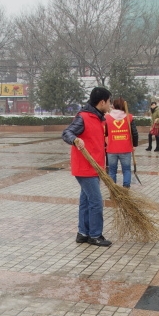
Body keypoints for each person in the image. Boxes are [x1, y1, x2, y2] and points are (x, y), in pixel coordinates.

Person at [62, 86, 113, 247]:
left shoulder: (98, 118)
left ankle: (83, 233)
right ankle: (95, 235)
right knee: (96, 201)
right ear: (102, 102)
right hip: (85, 168)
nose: (110, 105)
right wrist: (75, 140)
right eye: (109, 102)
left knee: (86, 200)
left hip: (94, 167)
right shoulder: (84, 117)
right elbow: (67, 133)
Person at [105, 97, 139, 188]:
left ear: (114, 105)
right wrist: (134, 145)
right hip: (126, 148)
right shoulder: (129, 117)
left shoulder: (107, 118)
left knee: (112, 171)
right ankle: (126, 188)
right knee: (126, 170)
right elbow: (134, 133)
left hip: (112, 149)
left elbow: (106, 133)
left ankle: (113, 190)